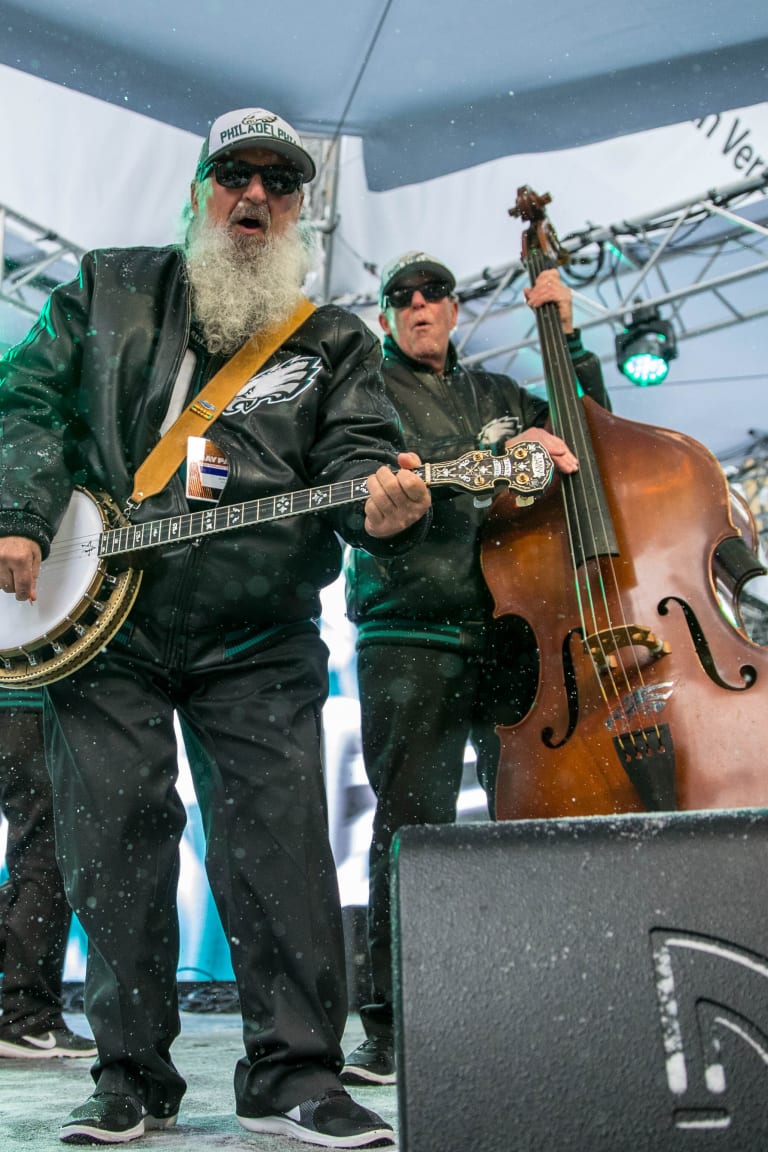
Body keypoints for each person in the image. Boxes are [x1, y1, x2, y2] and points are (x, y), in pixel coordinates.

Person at [0, 107, 433, 1148]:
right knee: (112, 845)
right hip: (103, 631)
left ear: (297, 211)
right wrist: (16, 513)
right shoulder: (105, 287)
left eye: (278, 182)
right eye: (234, 175)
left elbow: (358, 458)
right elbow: (26, 402)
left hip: (259, 632)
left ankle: (293, 1074)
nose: (255, 194)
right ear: (198, 192)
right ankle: (131, 1076)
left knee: (280, 844)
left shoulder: (334, 340)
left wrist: (383, 508)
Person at [341, 250, 611, 1086]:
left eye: (434, 294)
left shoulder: (499, 395)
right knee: (410, 829)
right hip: (408, 630)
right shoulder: (365, 390)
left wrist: (569, 336)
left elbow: (591, 428)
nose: (419, 305)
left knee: (524, 818)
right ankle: (387, 1027)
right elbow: (354, 482)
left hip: (507, 632)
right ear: (386, 314)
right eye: (401, 296)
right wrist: (485, 461)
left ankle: (520, 1002)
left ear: (456, 309)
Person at [0, 688, 96, 1060]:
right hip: (31, 706)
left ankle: (27, 1015)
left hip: (15, 708)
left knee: (38, 860)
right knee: (45, 861)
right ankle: (28, 1018)